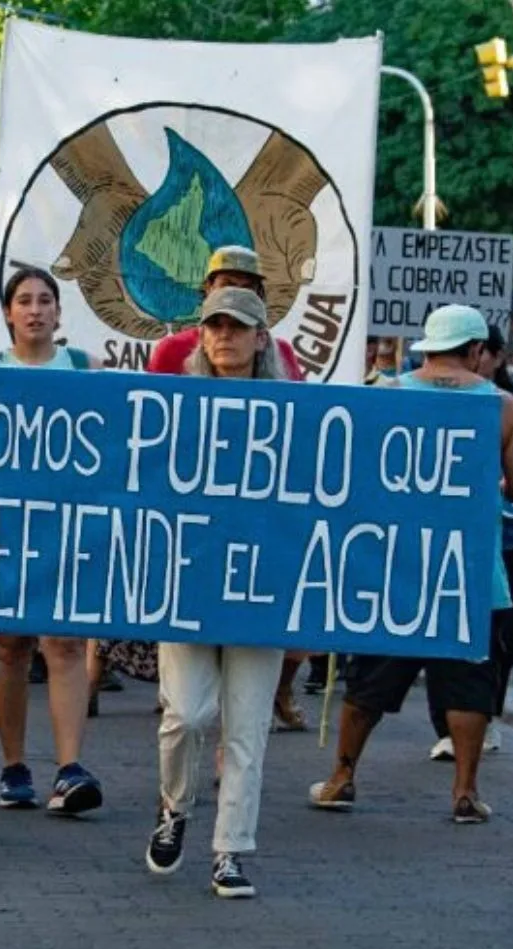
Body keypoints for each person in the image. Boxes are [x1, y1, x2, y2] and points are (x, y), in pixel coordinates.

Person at [307, 305, 513, 824]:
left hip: (396, 566)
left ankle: (342, 777)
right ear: (477, 351)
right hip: (469, 570)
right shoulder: (500, 405)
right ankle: (465, 791)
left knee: (369, 680)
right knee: (468, 682)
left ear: (426, 348)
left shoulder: (387, 394)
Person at [139, 288, 294, 896]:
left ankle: (231, 849)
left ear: (262, 339)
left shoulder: (294, 414)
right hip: (190, 582)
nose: (224, 335)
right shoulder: (176, 407)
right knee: (186, 712)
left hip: (261, 586)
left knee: (248, 728)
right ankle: (174, 806)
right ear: (201, 337)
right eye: (214, 326)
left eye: (238, 326)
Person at [0, 267, 104, 814]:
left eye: (45, 300)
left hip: (68, 526)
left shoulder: (85, 369)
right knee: (10, 647)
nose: (35, 309)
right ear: (8, 313)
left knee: (65, 644)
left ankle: (69, 766)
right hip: (9, 526)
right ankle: (14, 766)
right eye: (24, 301)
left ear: (59, 313)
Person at [427, 327, 513, 763]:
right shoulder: (500, 405)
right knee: (462, 652)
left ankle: (343, 772)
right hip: (457, 553)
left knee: (498, 636)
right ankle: (461, 771)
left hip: (487, 544)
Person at [147, 246, 306, 381]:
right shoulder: (171, 350)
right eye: (227, 284)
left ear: (261, 339)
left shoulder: (282, 353)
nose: (235, 294)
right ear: (208, 288)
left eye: (247, 287)